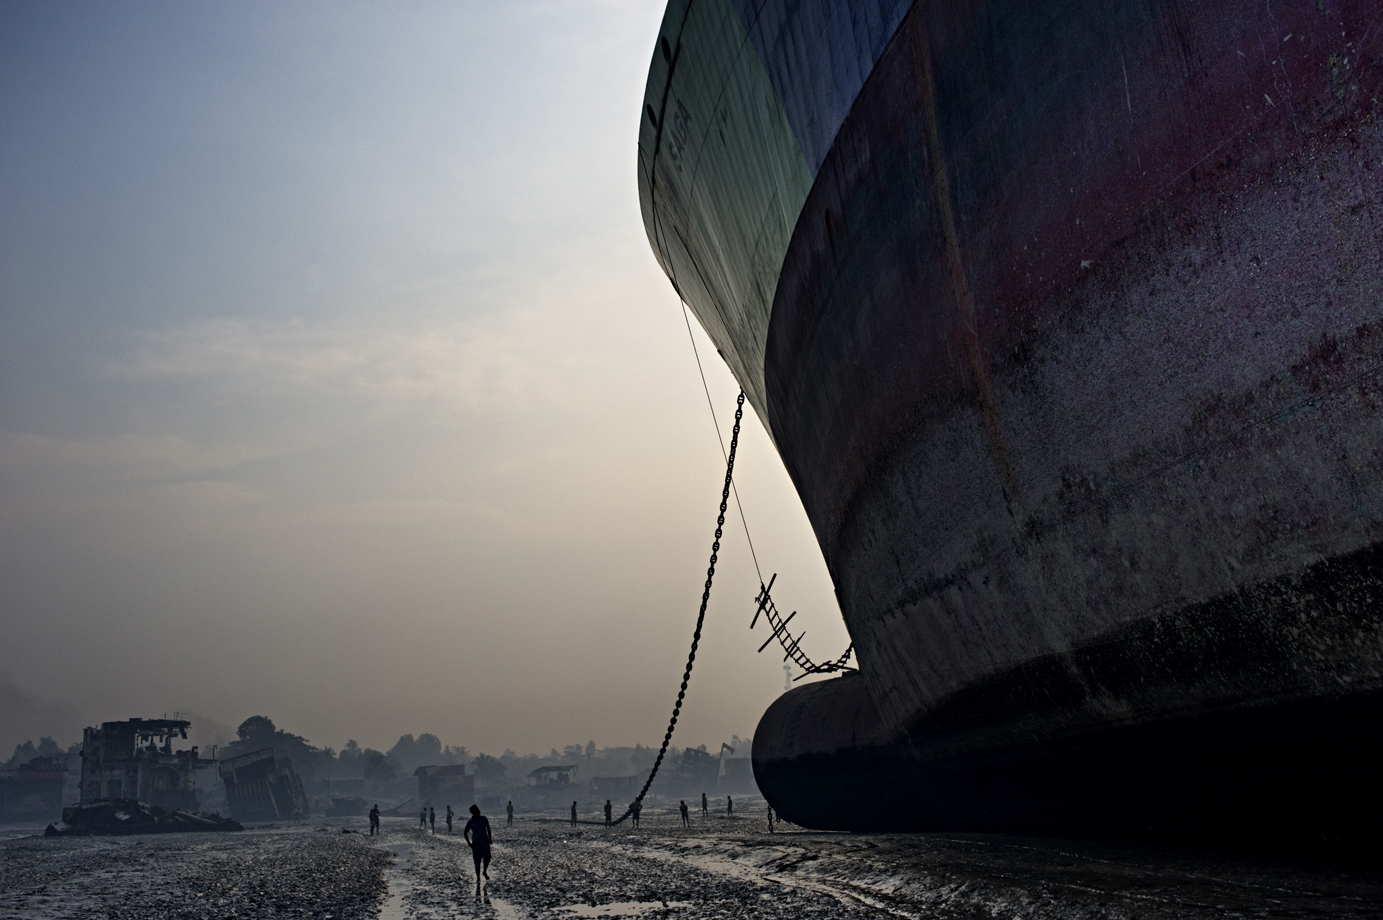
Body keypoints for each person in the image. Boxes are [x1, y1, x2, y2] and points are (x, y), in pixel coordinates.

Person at [463, 804, 493, 890]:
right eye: (477, 809)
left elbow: (488, 828)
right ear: (473, 812)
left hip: (485, 842)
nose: (478, 810)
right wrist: (469, 843)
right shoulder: (470, 821)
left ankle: (484, 871)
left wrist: (490, 839)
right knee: (477, 862)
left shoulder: (484, 818)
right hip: (476, 844)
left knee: (487, 858)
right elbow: (465, 832)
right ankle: (478, 877)